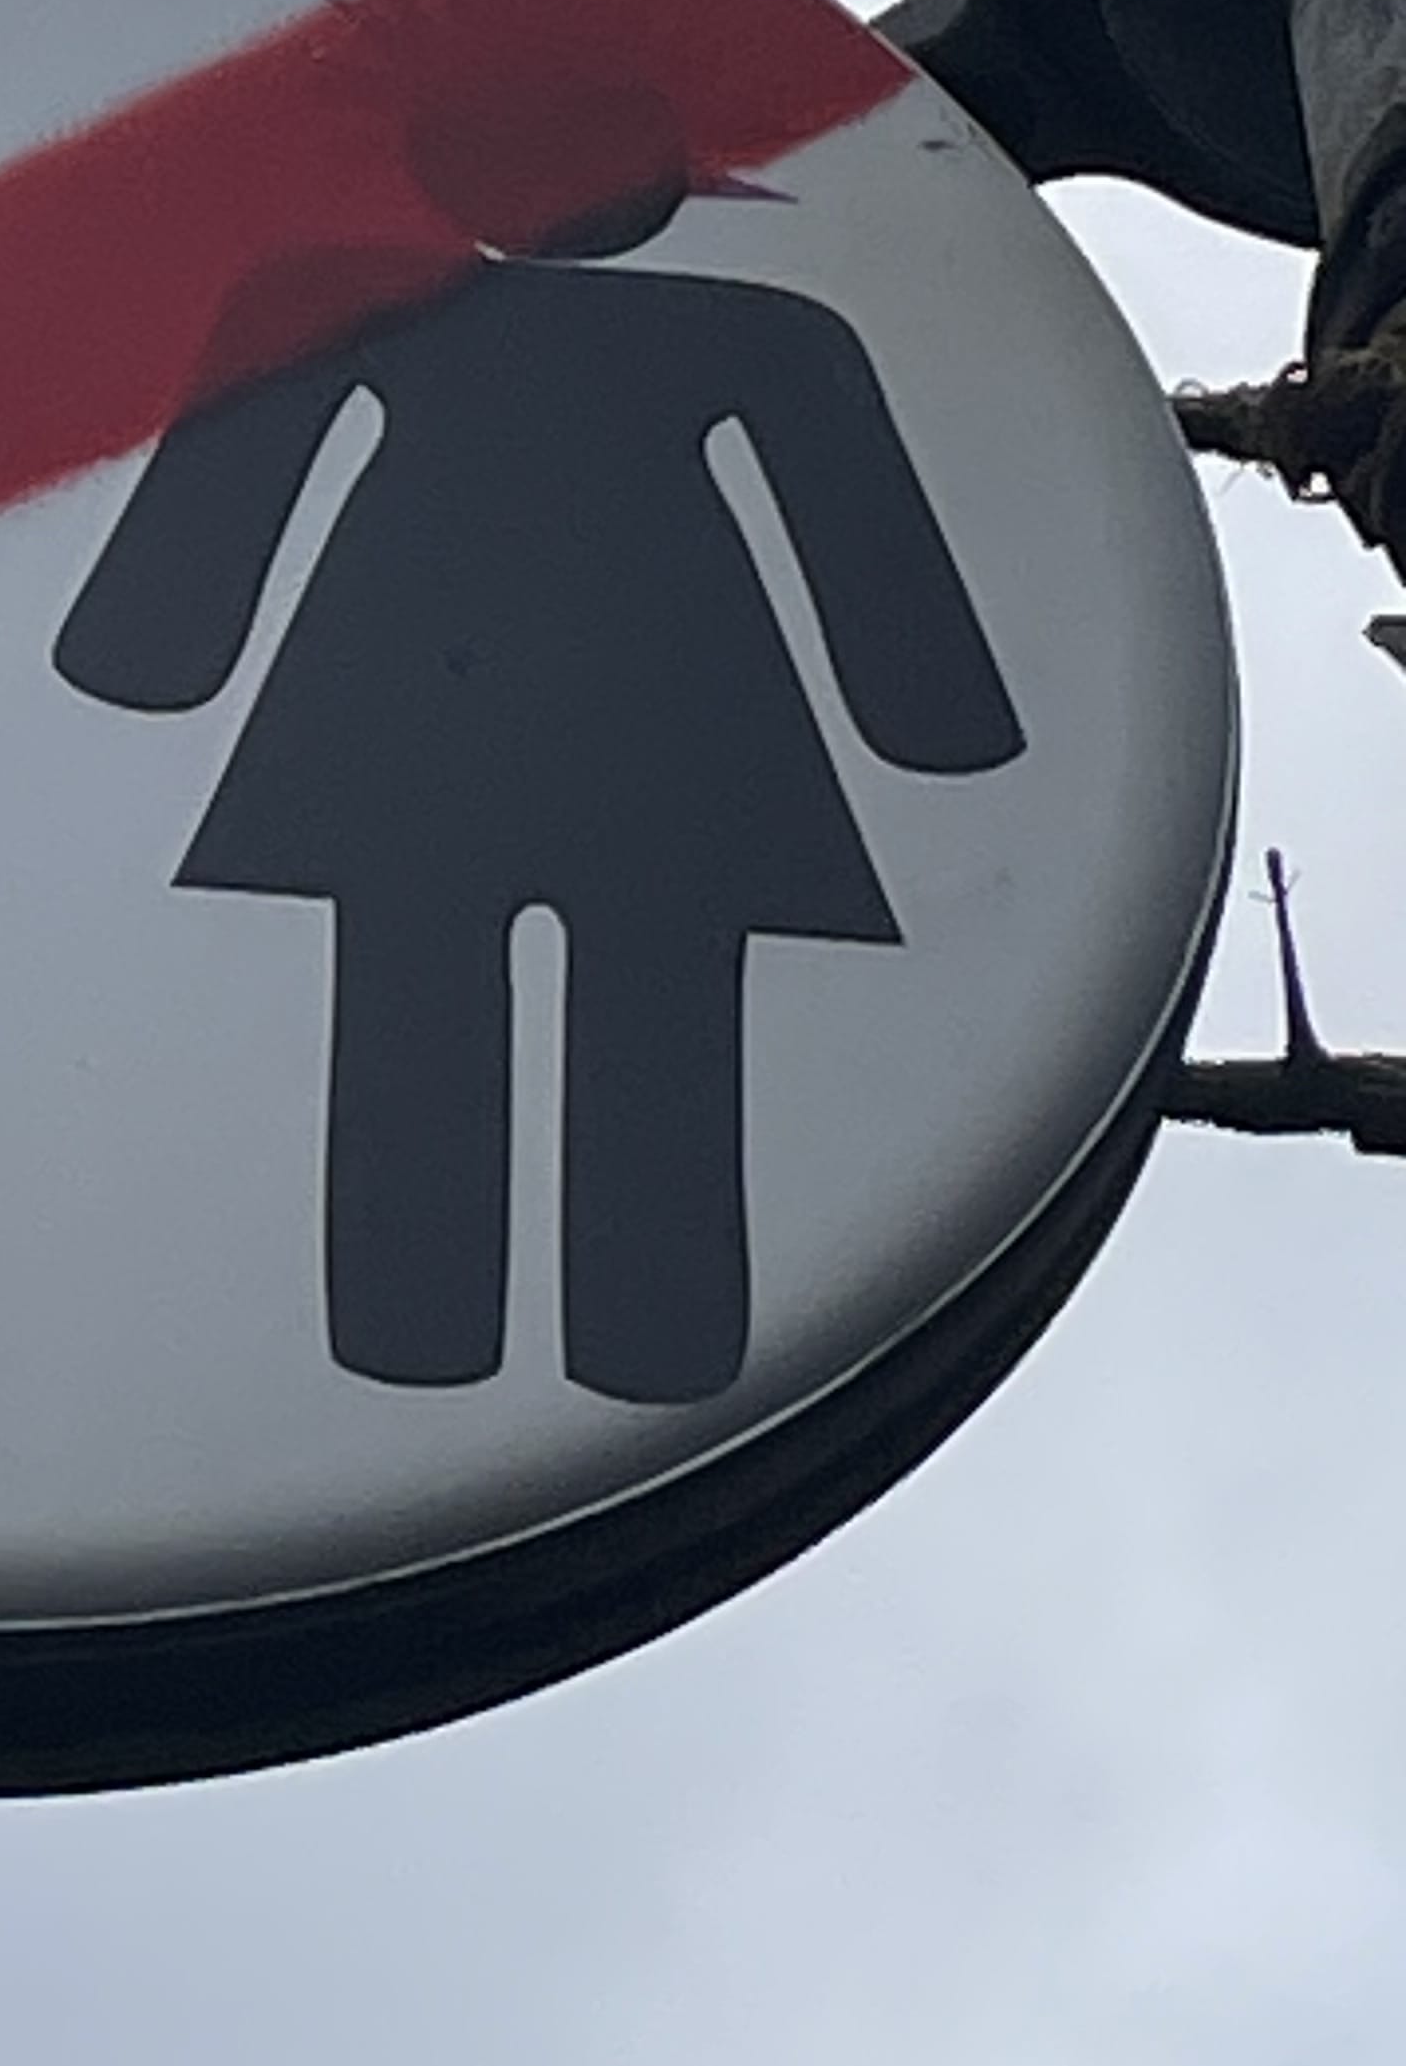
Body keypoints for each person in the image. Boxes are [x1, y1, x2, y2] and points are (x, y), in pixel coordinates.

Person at [53, 71, 1021, 1404]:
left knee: (431, 1009)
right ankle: (636, 1334)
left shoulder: (346, 296)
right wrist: (930, 719)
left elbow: (218, 508)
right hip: (674, 727)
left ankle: (427, 1330)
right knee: (635, 1021)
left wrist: (152, 653)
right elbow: (867, 552)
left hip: (421, 719)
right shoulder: (760, 333)